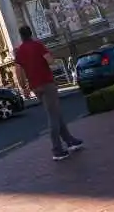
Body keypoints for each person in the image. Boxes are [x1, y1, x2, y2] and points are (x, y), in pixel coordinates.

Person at [14, 25, 83, 161]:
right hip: (47, 83)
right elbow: (50, 61)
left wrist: (24, 87)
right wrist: (49, 55)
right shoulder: (38, 45)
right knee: (53, 115)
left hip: (35, 86)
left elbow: (18, 70)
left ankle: (70, 140)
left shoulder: (20, 51)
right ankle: (57, 150)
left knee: (55, 112)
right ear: (31, 33)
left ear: (21, 36)